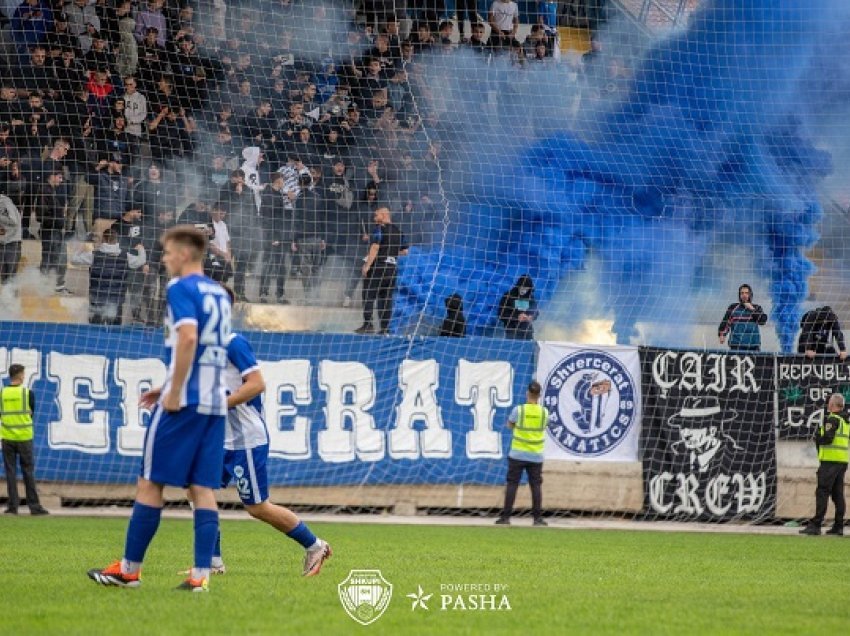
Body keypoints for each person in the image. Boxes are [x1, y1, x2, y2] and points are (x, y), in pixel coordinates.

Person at [88, 225, 232, 592]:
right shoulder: (218, 293)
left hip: (185, 401)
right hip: (215, 402)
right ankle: (200, 576)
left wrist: (174, 390)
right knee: (202, 487)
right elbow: (210, 350)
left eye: (168, 253)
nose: (164, 259)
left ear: (184, 254)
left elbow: (187, 337)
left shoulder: (180, 288)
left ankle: (130, 570)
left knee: (150, 482)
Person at [192, 287, 331, 576]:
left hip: (245, 440)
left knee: (256, 507)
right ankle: (213, 562)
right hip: (219, 439)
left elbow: (256, 384)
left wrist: (220, 404)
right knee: (196, 488)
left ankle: (315, 545)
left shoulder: (233, 343)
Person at [495, 380, 548, 526]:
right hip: (536, 455)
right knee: (536, 486)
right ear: (539, 395)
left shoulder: (519, 410)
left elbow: (509, 424)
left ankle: (506, 517)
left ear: (527, 393)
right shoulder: (544, 412)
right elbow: (544, 426)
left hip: (518, 453)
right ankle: (537, 518)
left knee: (512, 484)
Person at [71, 227, 146, 325]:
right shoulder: (126, 256)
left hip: (97, 299)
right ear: (116, 240)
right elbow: (141, 261)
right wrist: (141, 249)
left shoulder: (94, 255)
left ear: (103, 239)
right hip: (117, 300)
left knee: (95, 330)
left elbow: (74, 259)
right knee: (114, 332)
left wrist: (81, 247)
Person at [1, 364, 49, 515]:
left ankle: (12, 506)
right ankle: (34, 507)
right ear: (21, 375)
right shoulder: (28, 393)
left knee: (10, 472)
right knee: (28, 471)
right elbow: (31, 414)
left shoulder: (2, 393)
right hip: (24, 438)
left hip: (7, 437)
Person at [800, 393, 849, 536]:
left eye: (829, 403)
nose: (828, 405)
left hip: (830, 462)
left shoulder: (832, 419)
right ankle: (838, 526)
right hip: (842, 461)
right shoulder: (845, 421)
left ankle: (816, 525)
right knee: (838, 494)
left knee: (822, 492)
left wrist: (817, 438)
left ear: (832, 405)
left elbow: (828, 438)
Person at [356, 207, 408, 335]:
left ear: (384, 215)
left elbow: (374, 248)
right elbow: (405, 251)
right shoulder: (399, 231)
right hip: (392, 269)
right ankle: (385, 328)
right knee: (386, 298)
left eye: (376, 215)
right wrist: (391, 252)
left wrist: (367, 265)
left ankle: (368, 325)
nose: (374, 218)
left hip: (378, 267)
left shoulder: (379, 229)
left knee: (368, 294)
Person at [259, 172, 290, 304]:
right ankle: (263, 293)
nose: (284, 181)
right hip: (271, 237)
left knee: (281, 266)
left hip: (279, 236)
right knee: (268, 265)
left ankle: (280, 294)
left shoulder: (278, 194)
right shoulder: (269, 195)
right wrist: (272, 237)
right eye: (283, 179)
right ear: (278, 180)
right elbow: (267, 218)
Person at [718, 284, 768, 352]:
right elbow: (726, 322)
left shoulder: (757, 308)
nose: (744, 295)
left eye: (746, 293)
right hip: (736, 345)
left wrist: (751, 309)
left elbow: (762, 321)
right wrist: (722, 335)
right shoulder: (733, 307)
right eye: (742, 293)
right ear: (739, 295)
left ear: (750, 294)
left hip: (753, 346)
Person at [499, 274, 538, 340]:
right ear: (518, 286)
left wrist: (530, 317)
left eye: (526, 288)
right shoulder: (508, 296)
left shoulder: (530, 297)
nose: (523, 290)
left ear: (529, 288)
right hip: (512, 331)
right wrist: (517, 317)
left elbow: (535, 312)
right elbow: (501, 314)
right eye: (522, 287)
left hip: (527, 331)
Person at [0, 193, 22, 285]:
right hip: (3, 241)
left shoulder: (4, 201)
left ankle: (12, 298)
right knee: (4, 275)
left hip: (12, 242)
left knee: (11, 275)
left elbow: (14, 221)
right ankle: (7, 297)